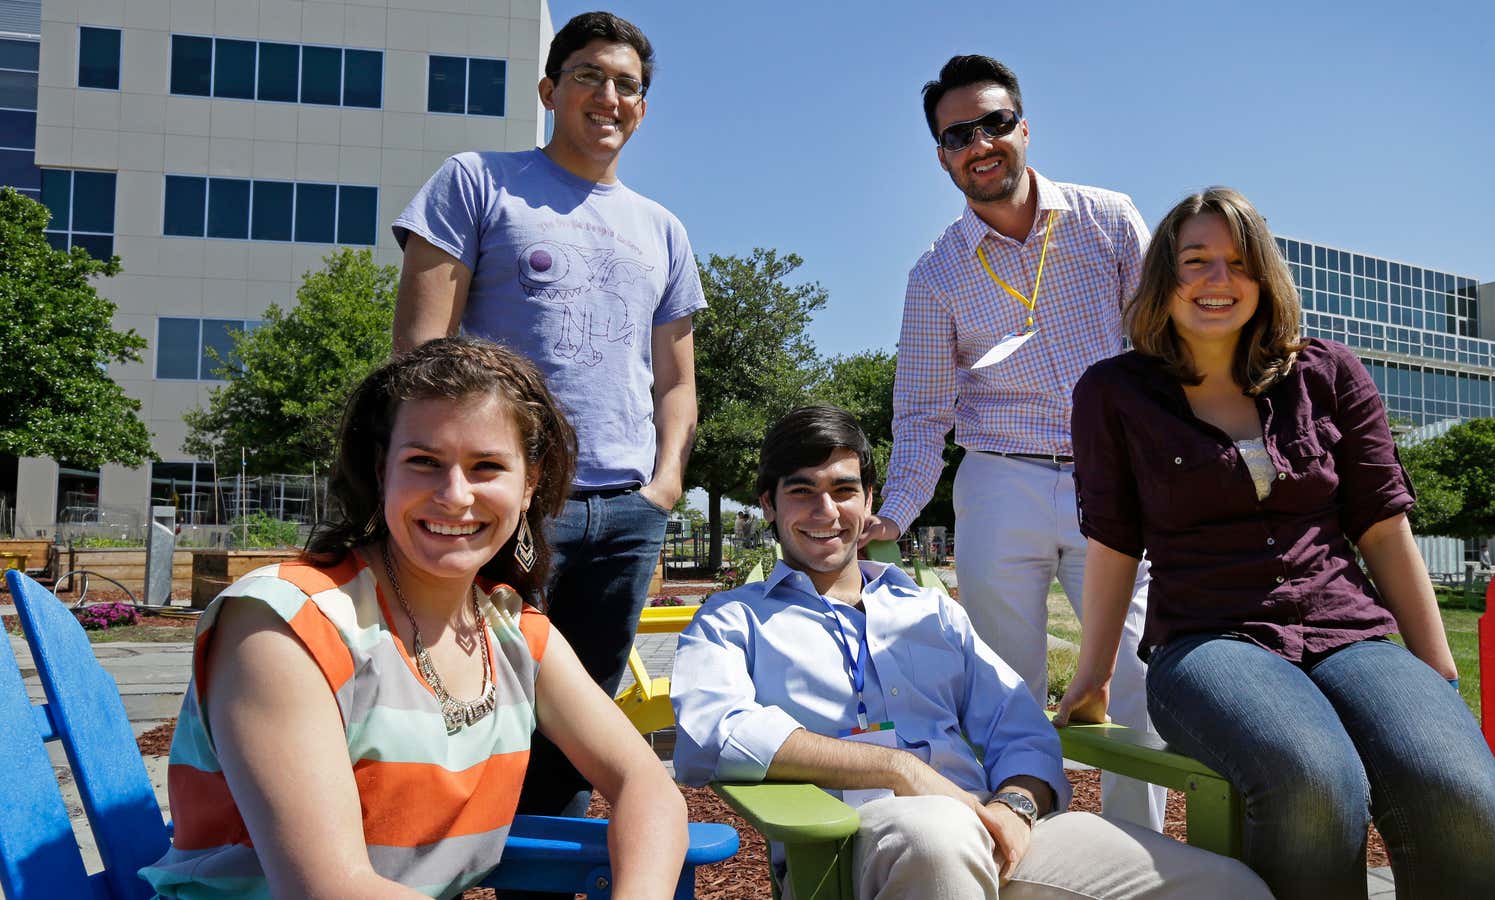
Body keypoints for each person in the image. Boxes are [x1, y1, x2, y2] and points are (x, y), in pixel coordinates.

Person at [1056, 187, 1495, 899]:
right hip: (1211, 639)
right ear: (1164, 277)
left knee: (1457, 788)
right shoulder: (1113, 392)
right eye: (1197, 260)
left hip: (1349, 632)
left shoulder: (1326, 371)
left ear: (1265, 277)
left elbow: (1384, 527)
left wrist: (1439, 676)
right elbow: (1113, 540)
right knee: (1312, 779)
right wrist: (1092, 678)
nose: (1219, 280)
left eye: (1240, 263)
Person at [140, 338, 688, 899]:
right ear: (382, 472)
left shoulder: (514, 633)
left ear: (529, 485)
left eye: (487, 467)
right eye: (424, 462)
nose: (454, 496)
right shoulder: (285, 624)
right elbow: (330, 889)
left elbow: (645, 784)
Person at [673, 406, 1269, 900]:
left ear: (869, 500)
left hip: (986, 825)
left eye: (843, 490)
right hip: (850, 840)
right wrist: (900, 770)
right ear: (768, 504)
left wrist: (1014, 808)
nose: (825, 512)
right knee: (935, 834)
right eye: (801, 492)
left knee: (1227, 886)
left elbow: (1023, 732)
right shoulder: (734, 618)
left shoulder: (932, 613)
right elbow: (712, 732)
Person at [389, 11, 705, 835]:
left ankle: (539, 886)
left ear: (643, 107)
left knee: (579, 725)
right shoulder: (476, 182)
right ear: (549, 90)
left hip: (626, 512)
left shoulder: (663, 229)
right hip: (512, 504)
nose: (610, 96)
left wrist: (664, 485)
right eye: (589, 77)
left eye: (628, 85)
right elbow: (420, 353)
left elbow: (676, 379)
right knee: (456, 702)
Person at [862, 53, 1163, 829]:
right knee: (1006, 684)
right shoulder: (935, 274)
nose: (980, 143)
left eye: (994, 123)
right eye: (958, 134)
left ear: (1024, 127)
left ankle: (1138, 856)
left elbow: (1162, 354)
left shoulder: (1110, 219)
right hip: (1002, 481)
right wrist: (894, 513)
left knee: (1139, 671)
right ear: (942, 156)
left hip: (1116, 481)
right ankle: (1031, 847)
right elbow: (923, 412)